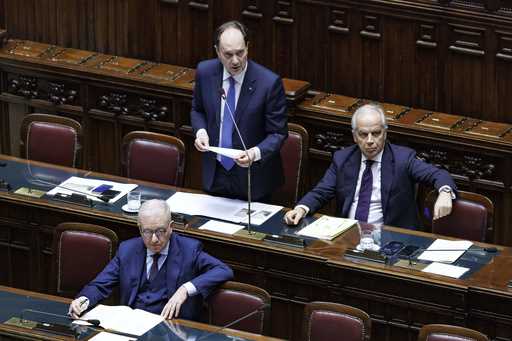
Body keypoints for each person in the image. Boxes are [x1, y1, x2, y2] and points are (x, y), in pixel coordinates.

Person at [285, 103, 456, 229]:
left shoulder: (403, 159)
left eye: (376, 133)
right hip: (348, 236)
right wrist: (301, 208)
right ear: (354, 136)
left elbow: (438, 175)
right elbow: (321, 192)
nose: (370, 141)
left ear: (385, 133)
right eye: (363, 134)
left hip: (390, 239)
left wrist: (445, 191)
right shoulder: (343, 159)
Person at [69, 199, 233, 320]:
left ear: (171, 227)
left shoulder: (189, 250)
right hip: (130, 326)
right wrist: (83, 300)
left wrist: (185, 288)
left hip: (171, 329)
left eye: (160, 231)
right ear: (140, 229)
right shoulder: (128, 250)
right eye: (147, 232)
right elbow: (100, 285)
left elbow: (223, 270)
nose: (154, 239)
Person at [191, 20, 288, 203]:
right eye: (228, 54)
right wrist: (201, 131)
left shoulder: (268, 83)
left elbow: (278, 133)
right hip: (215, 172)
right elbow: (198, 109)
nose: (235, 60)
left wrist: (255, 153)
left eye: (240, 53)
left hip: (253, 177)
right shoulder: (205, 72)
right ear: (217, 52)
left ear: (248, 48)